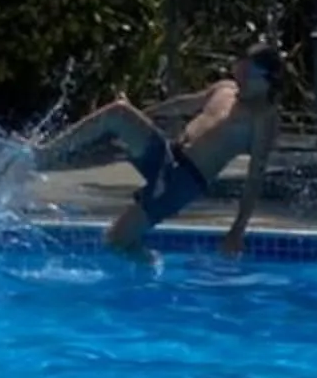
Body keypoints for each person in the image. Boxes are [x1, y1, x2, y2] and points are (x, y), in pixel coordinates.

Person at [27, 46, 285, 256]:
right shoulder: (226, 89)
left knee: (114, 242)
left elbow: (255, 178)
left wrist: (237, 231)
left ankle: (145, 261)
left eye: (248, 74)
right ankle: (43, 154)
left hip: (182, 182)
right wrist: (143, 116)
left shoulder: (263, 119)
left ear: (269, 81)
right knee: (119, 113)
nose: (240, 78)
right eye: (239, 69)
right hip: (167, 154)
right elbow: (185, 104)